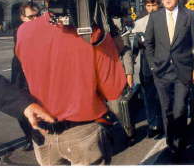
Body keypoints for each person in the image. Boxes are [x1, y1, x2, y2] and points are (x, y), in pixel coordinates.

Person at [15, 11, 127, 165]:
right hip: (84, 132)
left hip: (43, 132)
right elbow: (113, 90)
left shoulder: (24, 31)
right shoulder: (93, 33)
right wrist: (113, 43)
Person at [144, 0, 194, 163]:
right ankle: (171, 143)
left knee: (180, 109)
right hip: (161, 73)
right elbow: (148, 43)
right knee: (167, 110)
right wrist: (153, 66)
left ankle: (179, 146)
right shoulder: (155, 17)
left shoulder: (190, 16)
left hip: (183, 72)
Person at [132, 0, 164, 139]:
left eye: (154, 5)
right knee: (149, 97)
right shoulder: (140, 20)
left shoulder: (165, 18)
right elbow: (135, 47)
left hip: (162, 63)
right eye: (148, 5)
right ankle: (153, 125)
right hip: (146, 65)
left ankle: (164, 124)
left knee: (162, 96)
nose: (151, 8)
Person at [11, 1, 41, 151]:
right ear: (23, 18)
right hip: (21, 76)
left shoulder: (43, 29)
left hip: (37, 75)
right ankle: (30, 138)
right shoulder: (20, 31)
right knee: (21, 110)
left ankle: (37, 139)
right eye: (31, 17)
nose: (35, 20)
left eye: (37, 16)